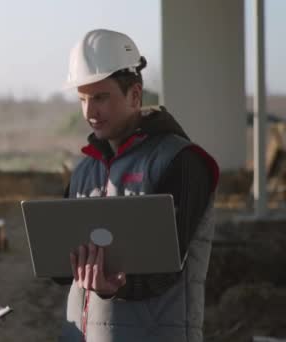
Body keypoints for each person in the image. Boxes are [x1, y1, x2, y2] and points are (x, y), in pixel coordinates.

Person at [59, 29, 219, 341]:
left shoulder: (182, 162)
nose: (90, 112)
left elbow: (164, 270)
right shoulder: (85, 169)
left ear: (134, 94)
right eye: (83, 99)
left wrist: (116, 285)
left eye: (101, 97)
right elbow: (59, 263)